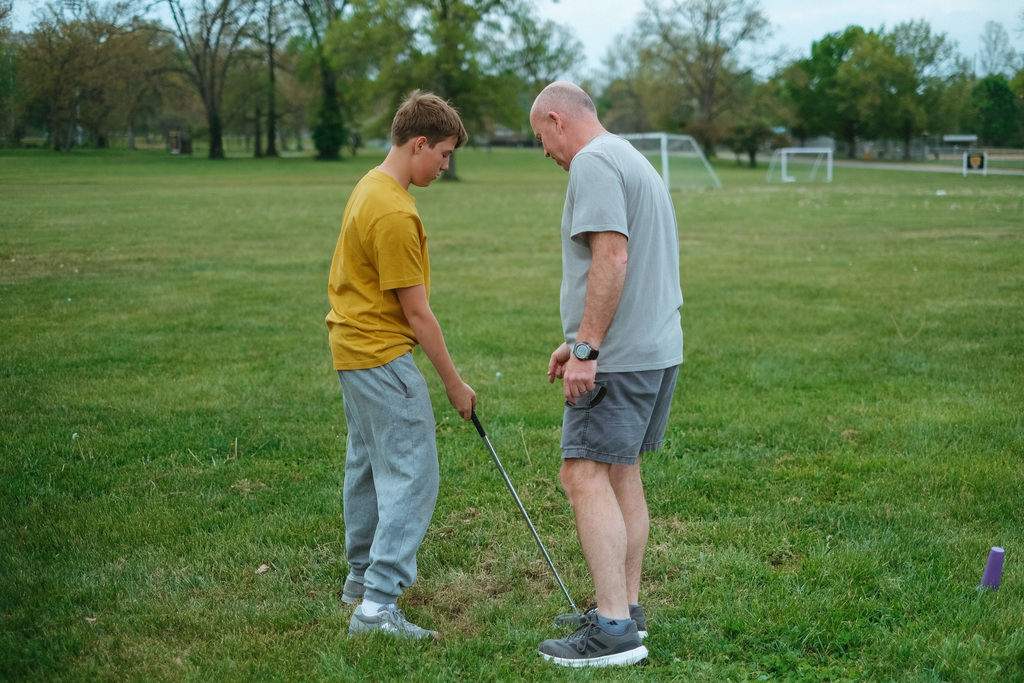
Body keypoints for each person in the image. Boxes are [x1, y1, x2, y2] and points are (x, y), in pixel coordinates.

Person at [529, 81, 683, 667]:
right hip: (654, 347)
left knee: (582, 475)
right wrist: (574, 341)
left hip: (620, 357)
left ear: (555, 118)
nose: (545, 150)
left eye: (541, 136)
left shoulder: (592, 162)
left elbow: (612, 255)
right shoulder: (629, 156)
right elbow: (630, 266)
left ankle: (613, 631)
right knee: (621, 473)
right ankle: (628, 611)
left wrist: (588, 349)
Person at [326, 90, 477, 640]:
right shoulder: (392, 210)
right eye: (442, 155)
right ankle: (376, 607)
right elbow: (418, 314)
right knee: (413, 474)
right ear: (419, 144)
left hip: (352, 351)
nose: (443, 166)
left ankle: (360, 579)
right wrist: (454, 385)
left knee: (367, 466)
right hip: (383, 357)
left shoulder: (370, 185)